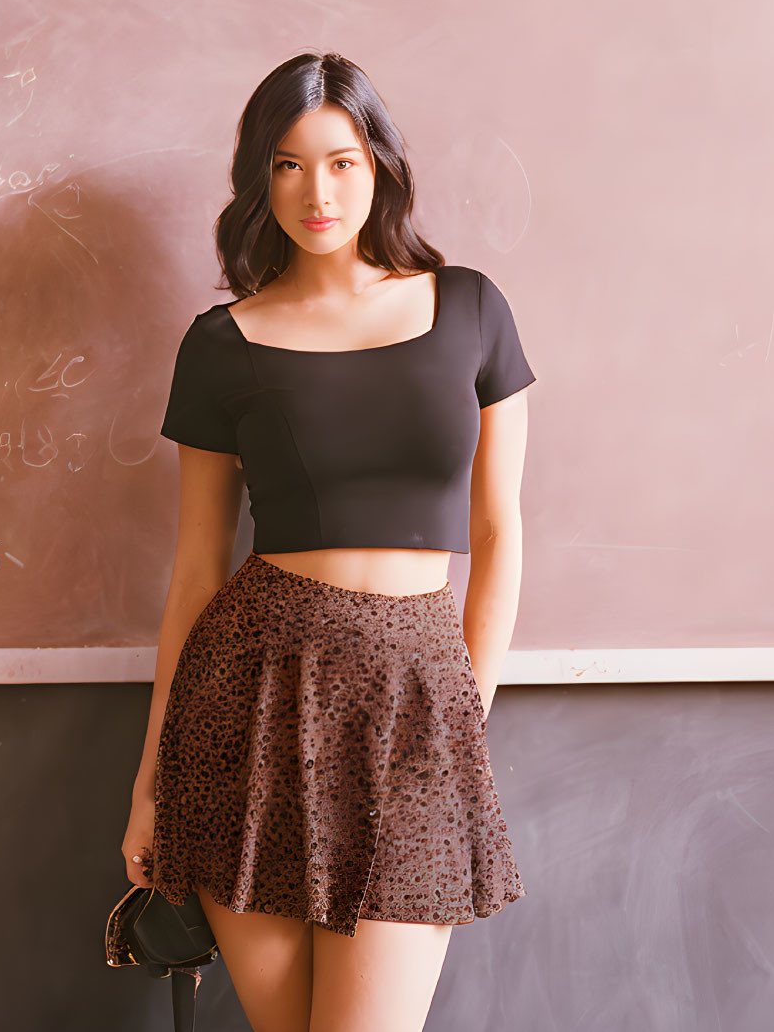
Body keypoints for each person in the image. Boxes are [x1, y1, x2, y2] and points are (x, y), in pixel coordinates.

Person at [120, 50, 534, 1032]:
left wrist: (461, 718)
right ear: (259, 180)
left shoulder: (469, 308)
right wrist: (148, 782)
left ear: (380, 165)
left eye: (342, 161)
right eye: (289, 165)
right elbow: (194, 573)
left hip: (416, 709)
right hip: (248, 705)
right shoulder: (223, 343)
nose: (318, 190)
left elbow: (499, 531)